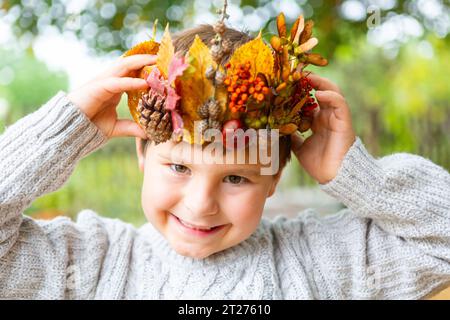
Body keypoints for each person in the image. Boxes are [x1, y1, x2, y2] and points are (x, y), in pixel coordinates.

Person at [0, 25, 449, 299]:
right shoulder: (91, 264)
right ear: (142, 152)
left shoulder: (330, 260)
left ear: (273, 178)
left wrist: (358, 177)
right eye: (179, 167)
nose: (200, 205)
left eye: (236, 176)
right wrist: (63, 132)